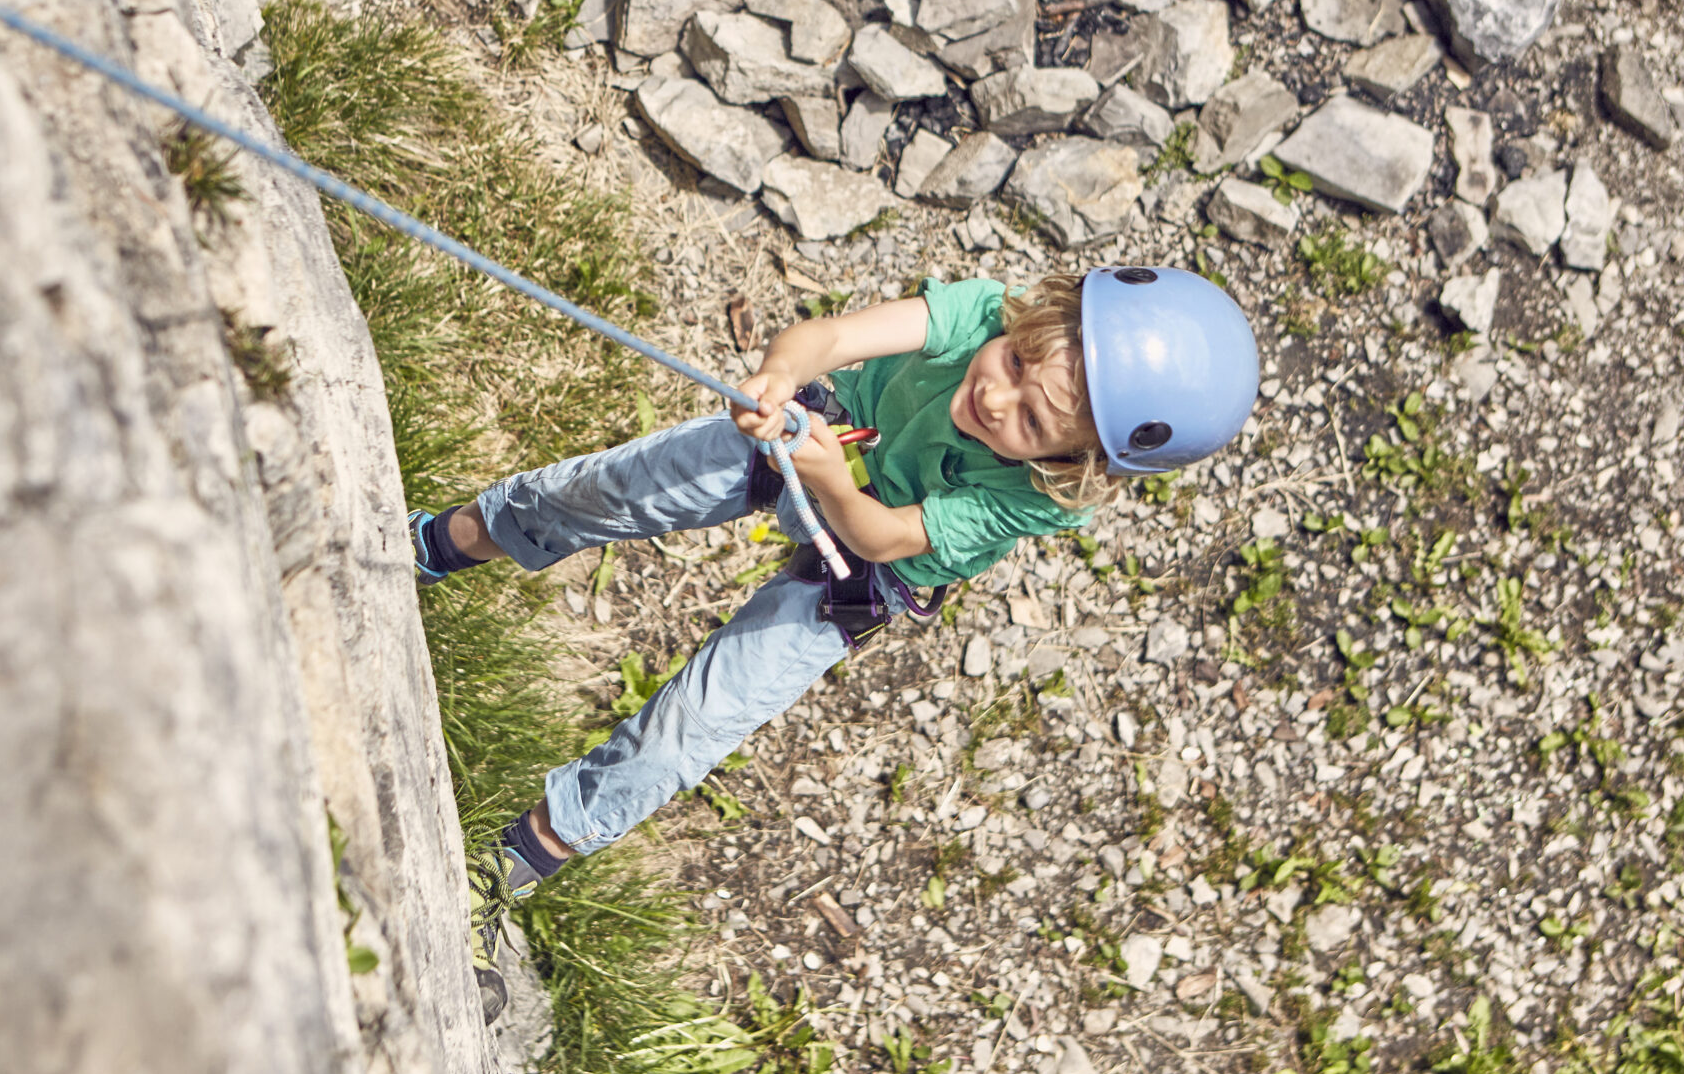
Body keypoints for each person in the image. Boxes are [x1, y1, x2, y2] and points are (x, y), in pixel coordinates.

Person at [408, 265, 1260, 1020]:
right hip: (818, 430)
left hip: (859, 562)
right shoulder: (982, 314)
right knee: (606, 491)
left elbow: (886, 536)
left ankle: (504, 871)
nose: (998, 398)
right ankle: (435, 545)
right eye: (1016, 363)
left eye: (1033, 422)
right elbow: (834, 337)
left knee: (691, 726)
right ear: (1032, 320)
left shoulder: (1038, 501)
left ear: (1079, 463)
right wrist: (779, 376)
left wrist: (826, 476)